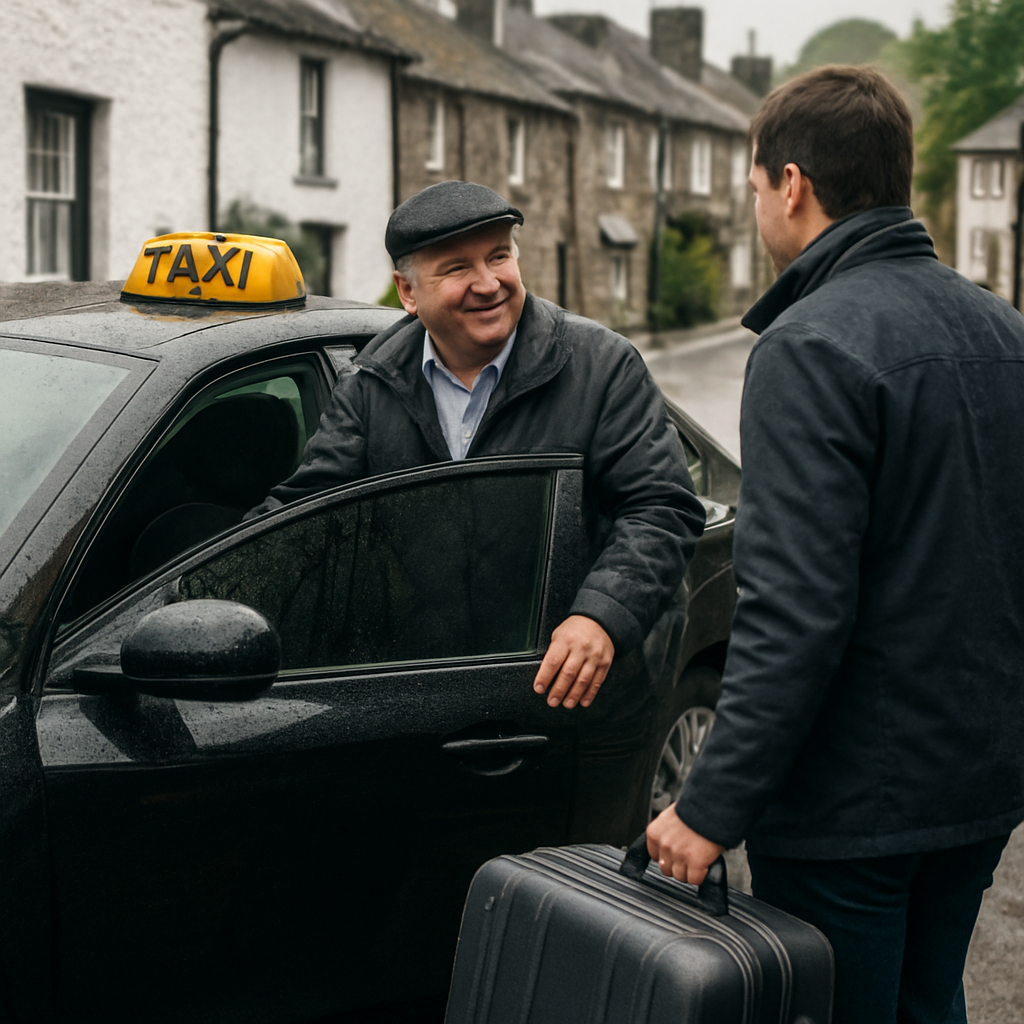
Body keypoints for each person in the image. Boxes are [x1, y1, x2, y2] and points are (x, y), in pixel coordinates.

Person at [646, 65, 1024, 1024]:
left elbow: (794, 608)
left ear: (792, 184)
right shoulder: (1006, 330)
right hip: (980, 779)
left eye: (754, 185)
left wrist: (707, 807)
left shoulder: (810, 346)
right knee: (929, 1004)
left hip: (852, 806)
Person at [249, 179, 705, 708]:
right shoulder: (370, 387)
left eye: (499, 256)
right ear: (408, 292)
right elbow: (307, 518)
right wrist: (203, 592)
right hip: (434, 688)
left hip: (573, 691)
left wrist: (599, 615)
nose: (489, 283)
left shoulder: (603, 366)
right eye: (458, 268)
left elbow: (661, 507)